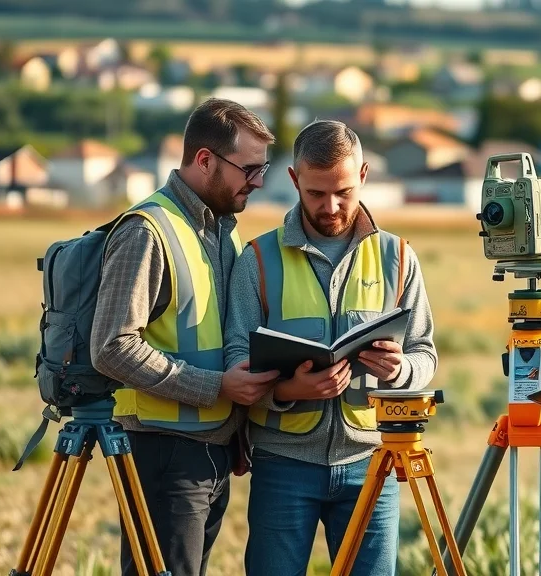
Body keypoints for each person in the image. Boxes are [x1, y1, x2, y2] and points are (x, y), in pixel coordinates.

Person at [224, 119, 438, 576]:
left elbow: (425, 355)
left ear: (363, 175)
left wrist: (400, 371)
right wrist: (287, 391)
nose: (331, 206)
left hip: (372, 465)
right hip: (282, 464)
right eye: (316, 194)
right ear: (294, 180)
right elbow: (234, 361)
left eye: (342, 191)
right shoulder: (257, 260)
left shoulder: (398, 258)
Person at [90, 98, 281, 576]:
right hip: (162, 452)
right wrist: (216, 388)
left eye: (264, 168)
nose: (258, 182)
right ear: (204, 161)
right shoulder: (147, 231)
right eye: (250, 169)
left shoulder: (223, 233)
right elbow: (111, 347)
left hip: (210, 450)